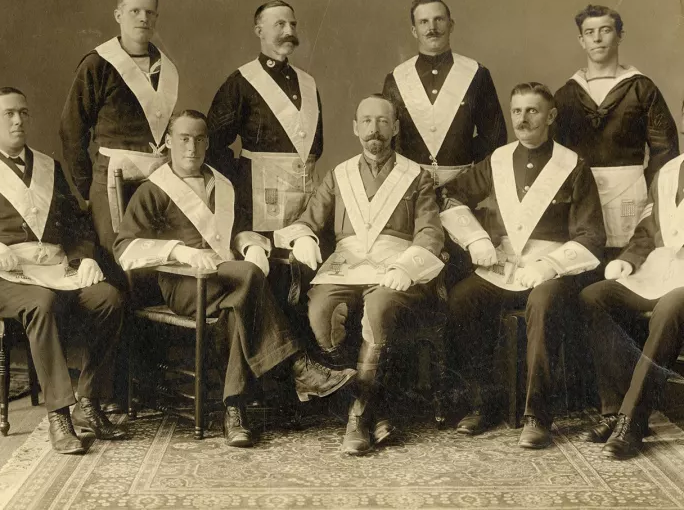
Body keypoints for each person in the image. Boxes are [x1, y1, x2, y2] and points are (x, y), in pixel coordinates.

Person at [113, 110, 355, 448]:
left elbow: (239, 228)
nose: (191, 147)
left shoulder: (222, 184)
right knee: (249, 279)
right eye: (183, 138)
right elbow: (124, 247)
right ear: (168, 142)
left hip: (231, 281)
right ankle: (297, 366)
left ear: (208, 142)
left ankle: (233, 410)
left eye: (199, 139)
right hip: (186, 284)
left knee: (243, 304)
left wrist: (249, 243)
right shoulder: (153, 190)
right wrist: (178, 252)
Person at [275, 94, 446, 455]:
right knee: (320, 312)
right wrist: (304, 237)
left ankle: (359, 418)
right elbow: (309, 219)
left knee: (379, 309)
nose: (375, 130)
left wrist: (406, 266)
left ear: (396, 127)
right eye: (366, 121)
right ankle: (370, 405)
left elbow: (430, 232)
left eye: (383, 122)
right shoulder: (341, 174)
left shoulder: (416, 176)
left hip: (393, 265)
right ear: (355, 128)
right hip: (347, 264)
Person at [439, 82, 605, 449]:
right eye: (517, 111)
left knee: (543, 303)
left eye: (532, 111)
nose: (523, 119)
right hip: (504, 264)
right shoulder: (497, 160)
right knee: (462, 298)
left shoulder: (572, 164)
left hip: (552, 269)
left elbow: (591, 236)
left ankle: (537, 415)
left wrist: (549, 264)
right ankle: (483, 401)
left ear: (551, 116)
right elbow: (450, 195)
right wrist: (476, 238)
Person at [0, 88, 125, 455]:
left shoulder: (48, 166)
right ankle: (59, 415)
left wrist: (85, 258)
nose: (18, 120)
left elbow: (79, 228)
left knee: (108, 298)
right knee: (41, 302)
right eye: (8, 114)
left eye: (23, 112)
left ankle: (91, 400)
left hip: (52, 268)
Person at [579, 104, 684, 459]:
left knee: (671, 306)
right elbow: (648, 228)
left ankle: (632, 421)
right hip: (662, 269)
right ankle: (614, 410)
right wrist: (628, 259)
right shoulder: (669, 172)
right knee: (595, 296)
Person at [59, 0, 179, 279]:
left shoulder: (167, 68)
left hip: (156, 179)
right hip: (111, 178)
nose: (143, 18)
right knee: (118, 262)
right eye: (134, 11)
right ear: (118, 15)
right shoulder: (97, 63)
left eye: (150, 12)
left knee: (156, 259)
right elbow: (71, 130)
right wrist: (87, 185)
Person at [554, 4, 678, 260]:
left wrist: (652, 196)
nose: (597, 38)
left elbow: (664, 150)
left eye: (606, 30)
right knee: (583, 261)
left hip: (631, 193)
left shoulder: (642, 89)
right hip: (581, 194)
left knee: (626, 264)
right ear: (581, 40)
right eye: (590, 32)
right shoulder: (565, 94)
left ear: (620, 35)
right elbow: (554, 153)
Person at [206, 1, 323, 255]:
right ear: (259, 31)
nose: (289, 31)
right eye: (279, 24)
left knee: (303, 258)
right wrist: (241, 182)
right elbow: (213, 143)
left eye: (292, 24)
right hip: (258, 198)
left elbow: (315, 146)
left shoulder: (307, 82)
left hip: (303, 195)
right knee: (262, 262)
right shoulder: (242, 81)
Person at [382, 0, 506, 187]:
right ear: (414, 31)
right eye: (424, 22)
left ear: (451, 25)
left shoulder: (476, 74)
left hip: (462, 188)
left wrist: (469, 181)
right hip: (408, 187)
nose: (432, 28)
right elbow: (388, 139)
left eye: (438, 19)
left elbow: (494, 138)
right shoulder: (396, 78)